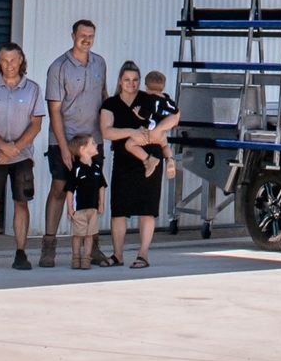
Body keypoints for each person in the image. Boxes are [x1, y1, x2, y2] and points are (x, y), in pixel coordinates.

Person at [43, 19, 109, 267]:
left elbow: (104, 97)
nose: (87, 40)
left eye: (91, 36)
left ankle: (93, 248)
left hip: (93, 140)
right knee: (59, 188)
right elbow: (54, 110)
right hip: (66, 138)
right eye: (82, 35)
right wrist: (63, 148)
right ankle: (49, 247)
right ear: (73, 36)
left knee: (91, 189)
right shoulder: (58, 67)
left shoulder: (100, 63)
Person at [0, 42, 44, 271]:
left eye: (13, 60)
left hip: (22, 156)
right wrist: (4, 147)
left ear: (21, 60)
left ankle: (21, 254)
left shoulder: (33, 89)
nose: (9, 65)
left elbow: (36, 125)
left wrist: (15, 148)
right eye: (4, 60)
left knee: (21, 202)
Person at [100, 61, 165, 268]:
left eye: (135, 80)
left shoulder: (148, 100)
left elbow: (168, 118)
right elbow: (106, 131)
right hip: (123, 159)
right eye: (127, 80)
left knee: (148, 208)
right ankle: (117, 255)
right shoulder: (110, 103)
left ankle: (143, 254)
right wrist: (132, 132)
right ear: (120, 81)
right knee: (119, 209)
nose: (131, 84)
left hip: (151, 157)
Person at [121, 70, 180, 180]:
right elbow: (175, 112)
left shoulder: (149, 100)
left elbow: (145, 115)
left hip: (148, 132)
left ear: (146, 87)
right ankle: (170, 159)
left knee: (129, 145)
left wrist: (137, 113)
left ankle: (149, 160)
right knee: (165, 146)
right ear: (163, 87)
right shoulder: (168, 101)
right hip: (161, 134)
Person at [66, 136, 106, 271]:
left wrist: (101, 204)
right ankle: (76, 258)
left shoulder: (97, 167)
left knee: (90, 235)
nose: (96, 145)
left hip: (93, 209)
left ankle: (86, 259)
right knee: (78, 235)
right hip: (79, 209)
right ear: (82, 149)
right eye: (92, 143)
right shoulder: (76, 169)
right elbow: (70, 190)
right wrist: (70, 207)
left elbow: (101, 186)